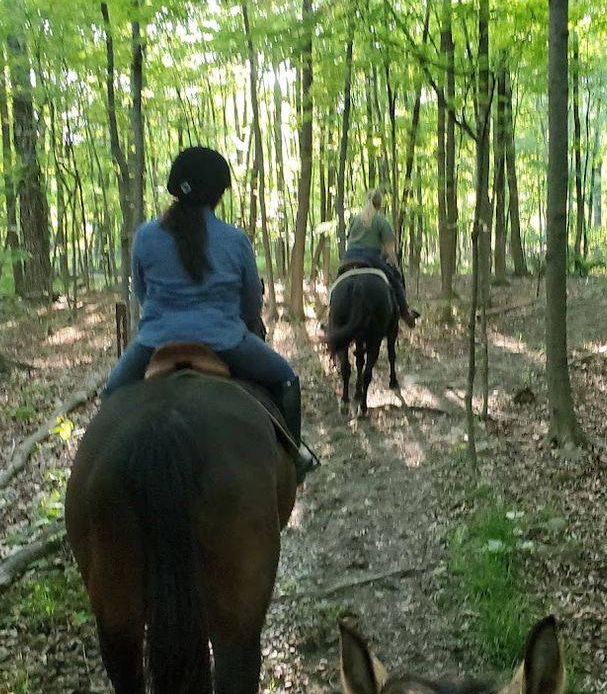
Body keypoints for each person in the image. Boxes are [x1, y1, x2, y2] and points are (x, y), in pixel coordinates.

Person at [103, 146, 317, 482]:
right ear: (218, 194)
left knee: (111, 393)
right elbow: (250, 304)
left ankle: (108, 472)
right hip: (225, 340)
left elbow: (143, 295)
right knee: (287, 379)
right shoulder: (234, 240)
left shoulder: (145, 237)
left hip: (155, 342)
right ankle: (295, 457)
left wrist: (164, 319)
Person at [342, 189, 419, 327]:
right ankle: (405, 313)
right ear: (380, 204)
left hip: (349, 257)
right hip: (370, 258)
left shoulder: (355, 219)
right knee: (396, 281)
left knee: (338, 281)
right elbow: (390, 250)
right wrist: (396, 267)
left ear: (367, 200)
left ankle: (330, 318)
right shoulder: (381, 221)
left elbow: (350, 240)